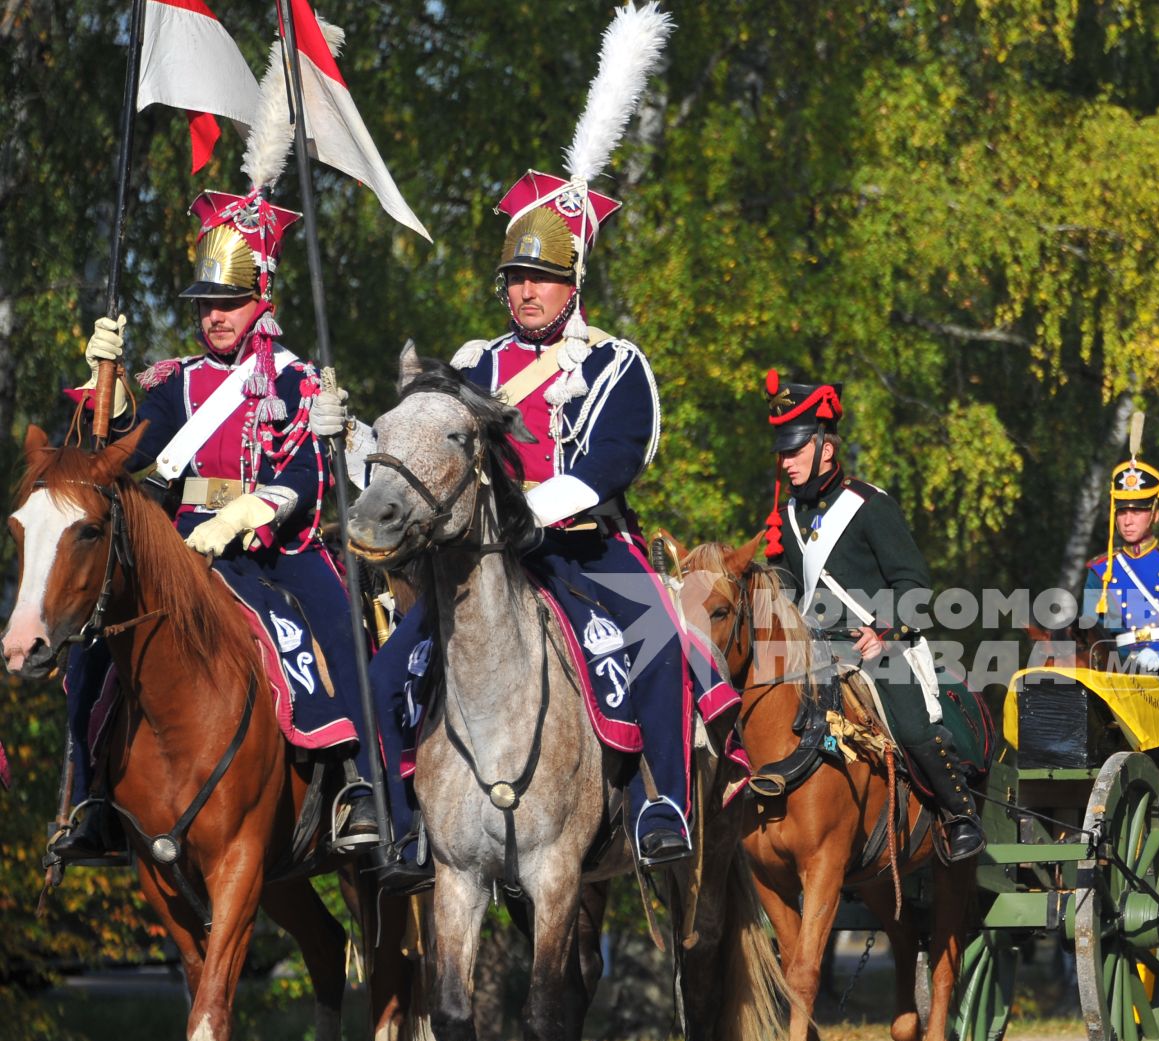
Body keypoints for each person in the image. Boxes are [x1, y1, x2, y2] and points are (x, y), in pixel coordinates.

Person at [361, 165, 738, 880]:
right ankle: (404, 825)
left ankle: (665, 806)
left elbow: (618, 457)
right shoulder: (474, 365)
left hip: (584, 544)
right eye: (514, 277)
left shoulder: (616, 363)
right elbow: (423, 448)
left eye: (541, 277)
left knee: (659, 642)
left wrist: (532, 509)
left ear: (573, 284)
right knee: (384, 672)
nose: (525, 292)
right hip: (482, 559)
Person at [51, 181, 373, 866]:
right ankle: (89, 797)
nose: (216, 316)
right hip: (182, 542)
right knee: (91, 643)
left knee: (341, 623)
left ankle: (362, 787)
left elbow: (309, 473)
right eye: (206, 304)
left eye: (229, 302)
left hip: (271, 542)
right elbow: (121, 455)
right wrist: (100, 393)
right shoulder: (176, 383)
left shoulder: (297, 380)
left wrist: (252, 510)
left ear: (264, 300)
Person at [763, 371, 983, 861]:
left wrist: (883, 632)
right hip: (813, 651)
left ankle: (959, 815)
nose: (786, 461)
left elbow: (915, 585)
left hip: (877, 649)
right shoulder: (790, 518)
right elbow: (788, 592)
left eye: (795, 448)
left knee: (911, 727)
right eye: (782, 450)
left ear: (824, 447)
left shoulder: (869, 506)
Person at [1080, 457, 1159, 675]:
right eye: (1122, 511)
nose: (1127, 520)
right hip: (1117, 669)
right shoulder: (1102, 568)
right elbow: (1092, 630)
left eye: (1137, 511)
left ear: (1155, 514)